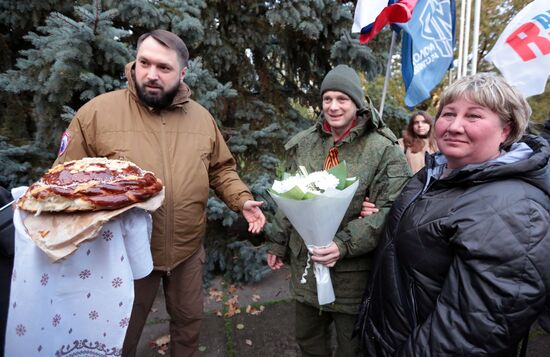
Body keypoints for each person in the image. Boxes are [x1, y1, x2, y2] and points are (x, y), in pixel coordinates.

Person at [54, 29, 266, 357]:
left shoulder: (201, 118)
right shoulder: (97, 114)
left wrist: (241, 199)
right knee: (119, 331)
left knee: (188, 323)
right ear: (134, 63)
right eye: (144, 63)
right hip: (124, 254)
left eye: (164, 68)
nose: (151, 74)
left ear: (182, 73)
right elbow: (64, 181)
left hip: (186, 251)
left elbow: (221, 169)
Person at [355, 72, 550, 356]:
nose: (455, 126)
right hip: (389, 337)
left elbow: (468, 336)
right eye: (448, 113)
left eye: (474, 116)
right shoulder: (436, 173)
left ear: (506, 130)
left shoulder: (515, 210)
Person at [266, 64, 411, 356]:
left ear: (357, 103)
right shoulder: (306, 143)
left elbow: (391, 211)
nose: (333, 107)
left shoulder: (383, 149)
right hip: (306, 264)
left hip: (352, 273)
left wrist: (343, 244)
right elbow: (290, 194)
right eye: (327, 99)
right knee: (308, 341)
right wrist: (277, 243)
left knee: (352, 346)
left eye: (342, 99)